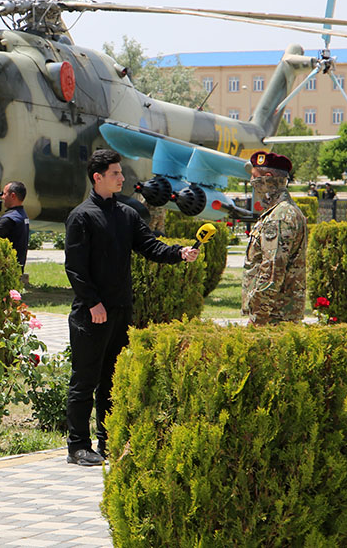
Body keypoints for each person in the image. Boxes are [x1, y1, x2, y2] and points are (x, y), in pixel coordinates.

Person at [63, 149, 199, 466]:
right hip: (91, 313)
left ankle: (108, 441)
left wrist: (179, 253)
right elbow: (75, 268)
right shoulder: (81, 216)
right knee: (85, 381)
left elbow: (149, 245)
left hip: (121, 310)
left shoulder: (126, 214)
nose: (122, 178)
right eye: (115, 173)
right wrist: (93, 302)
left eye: (121, 172)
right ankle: (77, 446)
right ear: (97, 177)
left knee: (111, 379)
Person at [242, 150, 308, 324]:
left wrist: (258, 317)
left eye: (254, 176)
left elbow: (272, 272)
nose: (251, 181)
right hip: (278, 313)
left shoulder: (279, 217)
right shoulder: (281, 211)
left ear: (267, 178)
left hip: (274, 316)